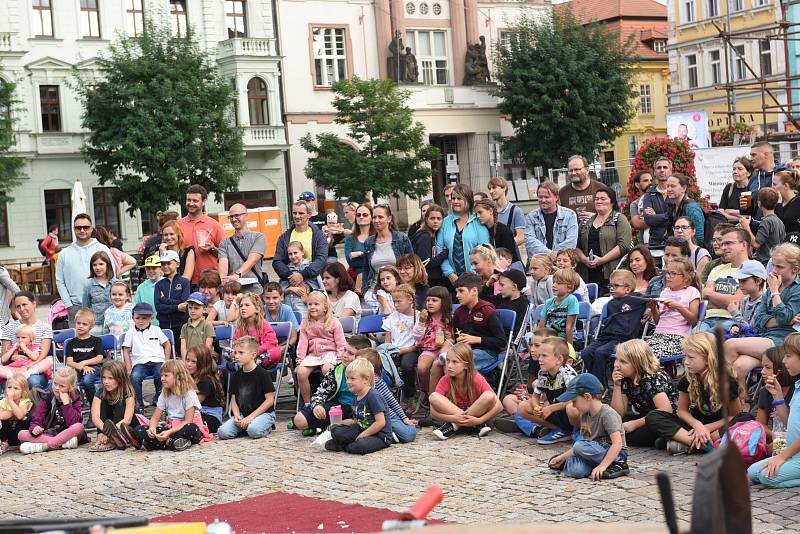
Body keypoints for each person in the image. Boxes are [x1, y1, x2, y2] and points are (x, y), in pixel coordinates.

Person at [646, 333, 747, 455]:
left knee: (745, 419)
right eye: (685, 357)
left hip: (718, 427)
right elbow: (682, 411)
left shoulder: (726, 382)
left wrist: (706, 428)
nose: (686, 362)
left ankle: (688, 442)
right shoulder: (688, 379)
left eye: (691, 358)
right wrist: (698, 425)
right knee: (653, 417)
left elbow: (734, 416)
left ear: (708, 358)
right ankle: (702, 444)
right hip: (695, 425)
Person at [725, 243, 800, 387]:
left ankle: (714, 392)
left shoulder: (795, 289)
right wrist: (785, 321)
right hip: (765, 337)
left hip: (784, 342)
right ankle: (741, 406)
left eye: (780, 267)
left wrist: (774, 292)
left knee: (730, 345)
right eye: (773, 265)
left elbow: (783, 316)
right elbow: (758, 320)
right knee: (740, 366)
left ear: (795, 269)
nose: (774, 270)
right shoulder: (771, 288)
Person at [547, 373, 630, 480]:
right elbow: (585, 441)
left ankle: (618, 463)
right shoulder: (584, 415)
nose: (573, 405)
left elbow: (617, 444)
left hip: (616, 453)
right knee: (575, 470)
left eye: (574, 401)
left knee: (578, 446)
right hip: (592, 453)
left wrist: (603, 466)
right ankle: (570, 462)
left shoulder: (608, 414)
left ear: (587, 397)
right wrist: (562, 457)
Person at [501, 336, 578, 442]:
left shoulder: (567, 374)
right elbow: (536, 395)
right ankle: (559, 430)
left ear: (559, 359)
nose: (540, 359)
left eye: (544, 356)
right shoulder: (543, 373)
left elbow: (575, 400)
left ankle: (577, 431)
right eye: (540, 355)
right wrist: (536, 406)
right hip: (556, 412)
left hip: (571, 413)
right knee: (523, 407)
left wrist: (551, 408)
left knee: (572, 408)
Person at [748, 334, 800, 488]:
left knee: (766, 477)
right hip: (793, 454)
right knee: (752, 472)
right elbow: (789, 423)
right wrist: (777, 395)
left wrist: (781, 457)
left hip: (794, 455)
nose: (784, 361)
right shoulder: (798, 386)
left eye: (788, 356)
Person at [580, 270, 647, 384]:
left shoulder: (637, 299)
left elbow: (655, 298)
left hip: (623, 338)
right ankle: (595, 381)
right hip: (605, 337)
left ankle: (600, 386)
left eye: (616, 286)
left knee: (600, 353)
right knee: (586, 352)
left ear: (627, 289)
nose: (611, 288)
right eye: (610, 285)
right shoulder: (611, 303)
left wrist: (650, 308)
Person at [609, 340, 678, 448]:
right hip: (646, 417)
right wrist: (617, 386)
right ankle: (664, 439)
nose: (617, 365)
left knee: (626, 435)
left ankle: (669, 438)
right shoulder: (626, 378)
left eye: (623, 362)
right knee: (611, 424)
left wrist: (635, 424)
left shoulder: (652, 378)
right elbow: (618, 414)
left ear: (637, 363)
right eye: (616, 359)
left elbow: (665, 410)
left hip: (666, 420)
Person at [126, 360, 206, 451]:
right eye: (161, 375)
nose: (162, 378)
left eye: (166, 375)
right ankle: (171, 443)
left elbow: (188, 421)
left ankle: (157, 443)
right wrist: (152, 428)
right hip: (171, 428)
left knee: (191, 428)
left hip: (184, 427)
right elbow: (155, 418)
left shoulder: (189, 394)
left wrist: (168, 432)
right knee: (139, 430)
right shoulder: (164, 394)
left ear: (178, 377)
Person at [429, 343, 502, 440]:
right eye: (448, 361)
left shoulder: (476, 378)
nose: (449, 365)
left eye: (455, 362)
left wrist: (479, 420)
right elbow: (432, 412)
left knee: (489, 395)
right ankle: (473, 426)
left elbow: (499, 406)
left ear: (466, 366)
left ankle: (455, 426)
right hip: (454, 415)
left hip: (476, 414)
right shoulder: (445, 380)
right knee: (433, 396)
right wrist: (453, 419)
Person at [290, 335, 362, 434]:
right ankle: (328, 426)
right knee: (299, 420)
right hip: (338, 407)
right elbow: (320, 393)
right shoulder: (336, 369)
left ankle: (323, 428)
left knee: (351, 423)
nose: (345, 355)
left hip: (359, 410)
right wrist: (317, 406)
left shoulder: (368, 374)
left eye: (350, 353)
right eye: (345, 350)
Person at [324, 358, 393, 454]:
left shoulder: (373, 396)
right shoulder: (355, 398)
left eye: (352, 378)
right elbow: (358, 420)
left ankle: (345, 445)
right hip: (361, 428)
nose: (348, 381)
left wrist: (364, 435)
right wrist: (341, 423)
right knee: (336, 431)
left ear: (366, 379)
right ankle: (346, 442)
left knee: (358, 446)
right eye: (347, 378)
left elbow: (380, 422)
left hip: (379, 435)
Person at [56, 213, 114, 327]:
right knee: (78, 343)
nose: (82, 230)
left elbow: (111, 275)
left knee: (104, 341)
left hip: (102, 304)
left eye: (86, 227)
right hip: (75, 307)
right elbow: (59, 281)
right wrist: (68, 304)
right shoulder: (64, 254)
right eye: (78, 227)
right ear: (74, 229)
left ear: (92, 229)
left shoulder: (103, 249)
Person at [576, 187, 632, 296]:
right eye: (596, 199)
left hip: (611, 272)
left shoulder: (619, 219)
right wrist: (584, 259)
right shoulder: (585, 222)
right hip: (588, 273)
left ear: (612, 201)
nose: (599, 201)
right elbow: (577, 245)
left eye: (603, 198)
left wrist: (602, 260)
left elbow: (623, 246)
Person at [217, 336, 277, 440]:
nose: (236, 356)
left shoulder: (262, 374)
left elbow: (270, 400)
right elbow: (234, 400)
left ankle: (267, 425)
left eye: (241, 353)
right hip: (243, 414)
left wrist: (251, 417)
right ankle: (246, 426)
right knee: (223, 432)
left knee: (254, 431)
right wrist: (236, 416)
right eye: (235, 353)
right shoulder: (236, 375)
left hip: (263, 414)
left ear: (253, 355)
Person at [18, 367, 86, 454]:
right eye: (55, 384)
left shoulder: (75, 397)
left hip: (69, 433)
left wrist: (66, 404)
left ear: (71, 387)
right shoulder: (47, 398)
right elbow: (36, 419)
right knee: (21, 434)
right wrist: (35, 428)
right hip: (51, 433)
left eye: (62, 386)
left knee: (79, 427)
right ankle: (62, 444)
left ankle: (44, 447)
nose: (57, 388)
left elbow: (73, 423)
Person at [296, 291, 346, 404]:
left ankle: (329, 400)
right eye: (310, 304)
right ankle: (308, 403)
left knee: (327, 369)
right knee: (301, 372)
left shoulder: (333, 322)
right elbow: (302, 344)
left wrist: (340, 360)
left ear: (325, 307)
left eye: (316, 304)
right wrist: (300, 361)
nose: (312, 307)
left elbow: (341, 343)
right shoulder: (305, 323)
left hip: (330, 353)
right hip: (313, 355)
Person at [358, 348, 418, 443]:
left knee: (408, 435)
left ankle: (409, 426)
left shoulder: (376, 382)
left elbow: (392, 401)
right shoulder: (354, 380)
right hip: (368, 416)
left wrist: (404, 418)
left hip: (387, 416)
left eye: (359, 364)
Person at [452, 273, 507, 371]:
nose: (457, 295)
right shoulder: (458, 312)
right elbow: (457, 336)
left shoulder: (487, 311)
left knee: (456, 363)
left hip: (488, 352)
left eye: (461, 291)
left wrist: (477, 339)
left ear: (474, 291)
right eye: (456, 292)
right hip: (466, 350)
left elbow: (502, 342)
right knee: (442, 361)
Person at [437, 184, 490, 286]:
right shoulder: (445, 222)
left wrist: (471, 274)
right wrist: (450, 273)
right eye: (453, 198)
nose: (455, 201)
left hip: (475, 278)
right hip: (450, 280)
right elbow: (439, 250)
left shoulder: (478, 222)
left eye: (459, 198)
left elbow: (484, 251)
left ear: (468, 200)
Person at [123, 302, 172, 410]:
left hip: (157, 360)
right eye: (138, 318)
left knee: (162, 375)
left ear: (151, 318)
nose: (141, 321)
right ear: (133, 317)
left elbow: (167, 344)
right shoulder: (130, 332)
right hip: (140, 363)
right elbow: (126, 350)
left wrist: (166, 361)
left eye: (145, 318)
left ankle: (159, 399)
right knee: (134, 377)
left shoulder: (156, 330)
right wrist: (128, 368)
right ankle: (138, 404)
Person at [701, 227, 751, 332]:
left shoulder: (752, 270)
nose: (723, 247)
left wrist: (711, 295)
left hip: (734, 320)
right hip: (707, 319)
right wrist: (727, 300)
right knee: (694, 335)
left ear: (744, 245)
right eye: (722, 244)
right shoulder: (717, 269)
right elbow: (705, 298)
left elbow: (739, 302)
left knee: (705, 338)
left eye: (728, 243)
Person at [0, 292, 53, 389]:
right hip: (13, 368)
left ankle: (36, 403)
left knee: (33, 381)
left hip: (35, 369)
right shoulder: (9, 328)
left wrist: (27, 367)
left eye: (24, 305)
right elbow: (4, 358)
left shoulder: (45, 328)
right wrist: (13, 358)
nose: (22, 309)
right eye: (18, 306)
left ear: (34, 304)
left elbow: (42, 356)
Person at [274, 201, 328, 295]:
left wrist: (302, 275)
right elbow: (277, 261)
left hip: (313, 280)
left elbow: (321, 259)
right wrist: (291, 276)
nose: (297, 216)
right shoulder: (284, 237)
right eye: (295, 213)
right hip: (289, 281)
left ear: (309, 215)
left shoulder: (319, 236)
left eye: (301, 213)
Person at [382, 284, 420, 413]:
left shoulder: (418, 316)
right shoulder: (392, 317)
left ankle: (410, 393)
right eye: (394, 301)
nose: (396, 305)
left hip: (411, 350)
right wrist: (387, 351)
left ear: (410, 300)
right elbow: (387, 339)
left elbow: (419, 343)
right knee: (387, 366)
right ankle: (392, 394)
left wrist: (406, 350)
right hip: (394, 351)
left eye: (399, 301)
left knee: (407, 365)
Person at [179, 184, 225, 287]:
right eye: (188, 200)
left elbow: (225, 255)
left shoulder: (215, 225)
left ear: (204, 202)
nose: (191, 203)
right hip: (185, 281)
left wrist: (212, 249)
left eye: (195, 201)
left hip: (209, 282)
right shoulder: (179, 225)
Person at [361, 204, 413, 294]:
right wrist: (364, 289)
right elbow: (366, 269)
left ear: (389, 219)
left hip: (398, 292)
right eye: (374, 217)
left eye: (380, 217)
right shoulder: (368, 242)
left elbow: (412, 265)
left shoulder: (401, 239)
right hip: (374, 291)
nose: (376, 220)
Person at [413, 286, 454, 397]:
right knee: (422, 368)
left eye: (434, 300)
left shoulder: (450, 317)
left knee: (444, 363)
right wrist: (421, 322)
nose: (430, 303)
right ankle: (429, 393)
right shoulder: (423, 317)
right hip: (428, 348)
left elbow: (454, 337)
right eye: (428, 300)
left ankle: (446, 394)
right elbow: (416, 337)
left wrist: (451, 336)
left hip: (444, 348)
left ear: (444, 302)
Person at [218, 204, 266, 295]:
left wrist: (237, 275)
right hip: (232, 290)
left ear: (246, 215)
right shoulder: (224, 243)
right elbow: (223, 263)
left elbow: (253, 260)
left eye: (237, 215)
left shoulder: (259, 237)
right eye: (231, 217)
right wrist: (223, 278)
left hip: (254, 289)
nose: (233, 219)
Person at [88, 360, 136, 452]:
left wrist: (110, 433)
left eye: (110, 378)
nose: (106, 381)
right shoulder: (100, 392)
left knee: (120, 404)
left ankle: (114, 438)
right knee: (103, 403)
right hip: (106, 428)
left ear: (120, 379)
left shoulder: (128, 393)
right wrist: (106, 432)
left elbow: (127, 420)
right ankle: (104, 436)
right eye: (104, 378)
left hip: (123, 426)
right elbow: (95, 417)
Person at [524, 181, 578, 259]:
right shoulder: (531, 216)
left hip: (561, 263)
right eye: (540, 197)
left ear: (556, 197)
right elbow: (530, 241)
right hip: (539, 263)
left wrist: (556, 255)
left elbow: (571, 241)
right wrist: (549, 254)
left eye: (546, 197)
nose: (543, 200)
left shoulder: (570, 215)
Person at [65, 308, 105, 405]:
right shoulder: (71, 343)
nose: (80, 326)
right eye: (78, 323)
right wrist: (82, 366)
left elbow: (99, 358)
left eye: (84, 324)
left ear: (91, 326)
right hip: (77, 368)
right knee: (66, 380)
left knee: (87, 381)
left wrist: (84, 363)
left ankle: (94, 405)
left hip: (94, 367)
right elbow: (69, 362)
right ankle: (74, 405)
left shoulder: (96, 341)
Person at [753, 346, 791, 443]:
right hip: (778, 440)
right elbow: (760, 424)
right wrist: (775, 435)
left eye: (768, 367)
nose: (762, 372)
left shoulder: (796, 391)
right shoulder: (765, 391)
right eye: (762, 367)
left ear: (782, 368)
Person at [539, 268, 581, 354]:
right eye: (553, 282)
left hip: (566, 339)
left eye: (558, 283)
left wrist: (570, 351)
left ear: (570, 287)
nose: (554, 285)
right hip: (549, 338)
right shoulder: (548, 302)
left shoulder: (572, 300)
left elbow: (569, 328)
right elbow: (542, 326)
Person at [232, 293, 280, 368]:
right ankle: (243, 363)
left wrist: (254, 352)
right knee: (229, 353)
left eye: (247, 305)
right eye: (241, 306)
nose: (242, 308)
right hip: (244, 354)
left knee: (275, 352)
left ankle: (254, 362)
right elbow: (236, 343)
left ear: (257, 309)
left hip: (260, 354)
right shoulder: (239, 327)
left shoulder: (264, 324)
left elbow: (271, 342)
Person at [741, 187, 785, 265]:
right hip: (774, 261)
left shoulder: (767, 222)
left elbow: (755, 244)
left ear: (759, 204)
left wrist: (746, 226)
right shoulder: (779, 221)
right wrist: (759, 253)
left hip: (766, 263)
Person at [154, 249, 190, 343]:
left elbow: (184, 304)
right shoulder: (159, 284)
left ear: (177, 264)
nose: (165, 266)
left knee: (180, 353)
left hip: (181, 325)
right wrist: (177, 307)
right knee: (166, 354)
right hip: (163, 325)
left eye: (169, 263)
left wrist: (165, 300)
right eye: (163, 264)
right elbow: (158, 307)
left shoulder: (184, 282)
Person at [411, 204, 449, 289]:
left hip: (435, 279)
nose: (435, 221)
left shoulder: (434, 235)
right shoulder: (425, 237)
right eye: (432, 218)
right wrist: (444, 253)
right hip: (428, 281)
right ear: (426, 220)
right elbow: (425, 263)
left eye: (439, 219)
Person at [474, 198, 522, 267]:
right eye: (476, 214)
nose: (478, 216)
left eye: (480, 212)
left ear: (490, 211)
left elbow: (509, 257)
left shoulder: (504, 231)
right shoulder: (482, 230)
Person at [745, 141, 787, 216]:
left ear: (766, 154)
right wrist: (744, 207)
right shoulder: (753, 179)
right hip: (757, 226)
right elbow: (748, 212)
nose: (751, 159)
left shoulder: (786, 174)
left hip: (780, 225)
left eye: (754, 155)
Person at [642, 157, 674, 251]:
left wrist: (656, 216)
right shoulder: (649, 194)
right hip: (655, 243)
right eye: (659, 168)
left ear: (671, 171)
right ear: (654, 172)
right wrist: (667, 215)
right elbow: (648, 220)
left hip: (675, 242)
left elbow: (677, 217)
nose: (662, 170)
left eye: (665, 167)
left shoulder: (677, 191)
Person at [83, 251, 118, 335]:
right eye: (94, 265)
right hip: (96, 326)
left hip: (115, 324)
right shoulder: (89, 286)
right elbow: (86, 308)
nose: (97, 267)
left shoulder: (116, 283)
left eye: (101, 264)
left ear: (107, 265)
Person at [729, 260, 766, 337]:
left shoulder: (763, 301)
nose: (740, 284)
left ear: (758, 281)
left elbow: (751, 329)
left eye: (744, 281)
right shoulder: (745, 300)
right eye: (739, 281)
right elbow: (741, 322)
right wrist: (735, 326)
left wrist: (734, 313)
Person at [666, 173, 704, 246]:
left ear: (684, 188)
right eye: (667, 186)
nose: (669, 189)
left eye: (673, 186)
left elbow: (699, 237)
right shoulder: (673, 206)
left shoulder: (692, 208)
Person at [0, 373, 33, 453]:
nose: (12, 390)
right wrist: (14, 412)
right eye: (9, 387)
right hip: (9, 433)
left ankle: (25, 441)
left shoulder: (25, 401)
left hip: (20, 432)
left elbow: (20, 416)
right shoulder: (4, 401)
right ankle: (4, 442)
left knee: (27, 418)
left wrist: (11, 401)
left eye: (16, 388)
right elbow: (1, 416)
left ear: (23, 391)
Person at [488, 176, 525, 246]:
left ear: (504, 188)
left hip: (508, 254)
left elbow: (521, 237)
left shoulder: (515, 210)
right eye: (489, 189)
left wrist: (505, 244)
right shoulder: (490, 211)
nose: (491, 191)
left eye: (494, 187)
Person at [493, 269, 530, 339]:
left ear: (514, 287)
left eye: (502, 285)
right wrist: (488, 284)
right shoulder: (499, 298)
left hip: (508, 343)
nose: (499, 289)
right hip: (495, 339)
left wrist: (513, 347)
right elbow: (482, 301)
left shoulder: (523, 304)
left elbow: (520, 328)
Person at [263, 282, 300, 348]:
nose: (271, 301)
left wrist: (285, 347)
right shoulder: (261, 311)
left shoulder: (287, 310)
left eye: (275, 298)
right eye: (267, 298)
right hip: (266, 345)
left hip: (285, 344)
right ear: (263, 298)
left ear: (281, 297)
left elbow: (294, 337)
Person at [344, 204, 375, 283]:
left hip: (377, 275)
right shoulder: (350, 238)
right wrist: (368, 255)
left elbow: (379, 258)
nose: (361, 217)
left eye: (365, 215)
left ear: (371, 217)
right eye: (358, 215)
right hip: (357, 277)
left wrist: (360, 254)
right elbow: (351, 262)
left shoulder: (377, 236)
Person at [159, 220, 196, 285]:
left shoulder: (188, 252)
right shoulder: (159, 251)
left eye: (171, 234)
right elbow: (159, 277)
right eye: (165, 235)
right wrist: (163, 255)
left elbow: (186, 278)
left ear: (178, 235)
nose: (168, 237)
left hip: (183, 290)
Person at [719, 157, 754, 223]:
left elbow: (750, 214)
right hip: (730, 229)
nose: (735, 171)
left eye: (740, 169)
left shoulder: (753, 189)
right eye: (734, 169)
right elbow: (720, 212)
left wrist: (730, 212)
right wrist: (740, 219)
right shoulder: (729, 187)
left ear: (748, 173)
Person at [180, 292, 214, 357]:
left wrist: (201, 361)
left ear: (204, 309)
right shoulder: (185, 327)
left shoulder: (208, 325)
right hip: (189, 359)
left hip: (204, 359)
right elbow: (183, 348)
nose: (192, 311)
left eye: (196, 308)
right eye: (190, 308)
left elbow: (208, 347)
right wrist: (185, 362)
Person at [134, 255, 162, 326]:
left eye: (154, 268)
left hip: (165, 324)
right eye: (148, 268)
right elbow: (137, 307)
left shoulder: (167, 283)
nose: (150, 271)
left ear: (160, 268)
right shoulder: (141, 287)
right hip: (147, 326)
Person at [628, 170, 654, 244]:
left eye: (651, 180)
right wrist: (659, 218)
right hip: (644, 245)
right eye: (646, 180)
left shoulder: (660, 198)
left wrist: (650, 218)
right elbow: (637, 224)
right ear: (637, 185)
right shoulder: (635, 204)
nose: (650, 183)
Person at [775, 170, 800, 235]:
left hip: (792, 243)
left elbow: (782, 224)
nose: (772, 187)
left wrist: (779, 204)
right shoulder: (778, 201)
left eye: (774, 184)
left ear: (786, 185)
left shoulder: (797, 202)